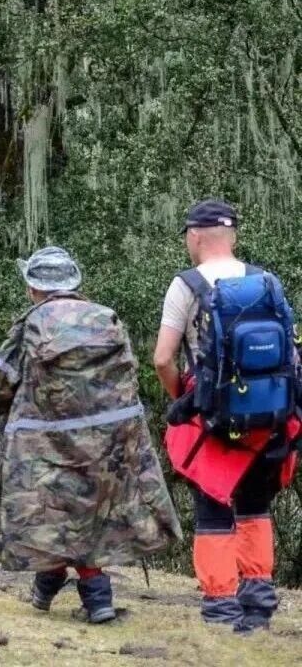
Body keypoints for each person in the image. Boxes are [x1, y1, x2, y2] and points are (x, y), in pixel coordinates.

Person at [0, 247, 180, 625]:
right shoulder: (107, 320)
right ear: (74, 284)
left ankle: (68, 588)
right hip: (110, 443)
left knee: (55, 517)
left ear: (32, 288)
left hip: (44, 444)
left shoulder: (31, 324)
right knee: (90, 514)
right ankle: (89, 597)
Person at [153, 200, 301, 631]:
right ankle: (258, 600)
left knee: (214, 508)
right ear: (232, 236)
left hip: (215, 417)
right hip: (269, 415)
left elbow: (163, 358)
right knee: (255, 507)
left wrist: (183, 396)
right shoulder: (267, 282)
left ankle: (220, 605)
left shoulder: (187, 285)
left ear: (195, 236)